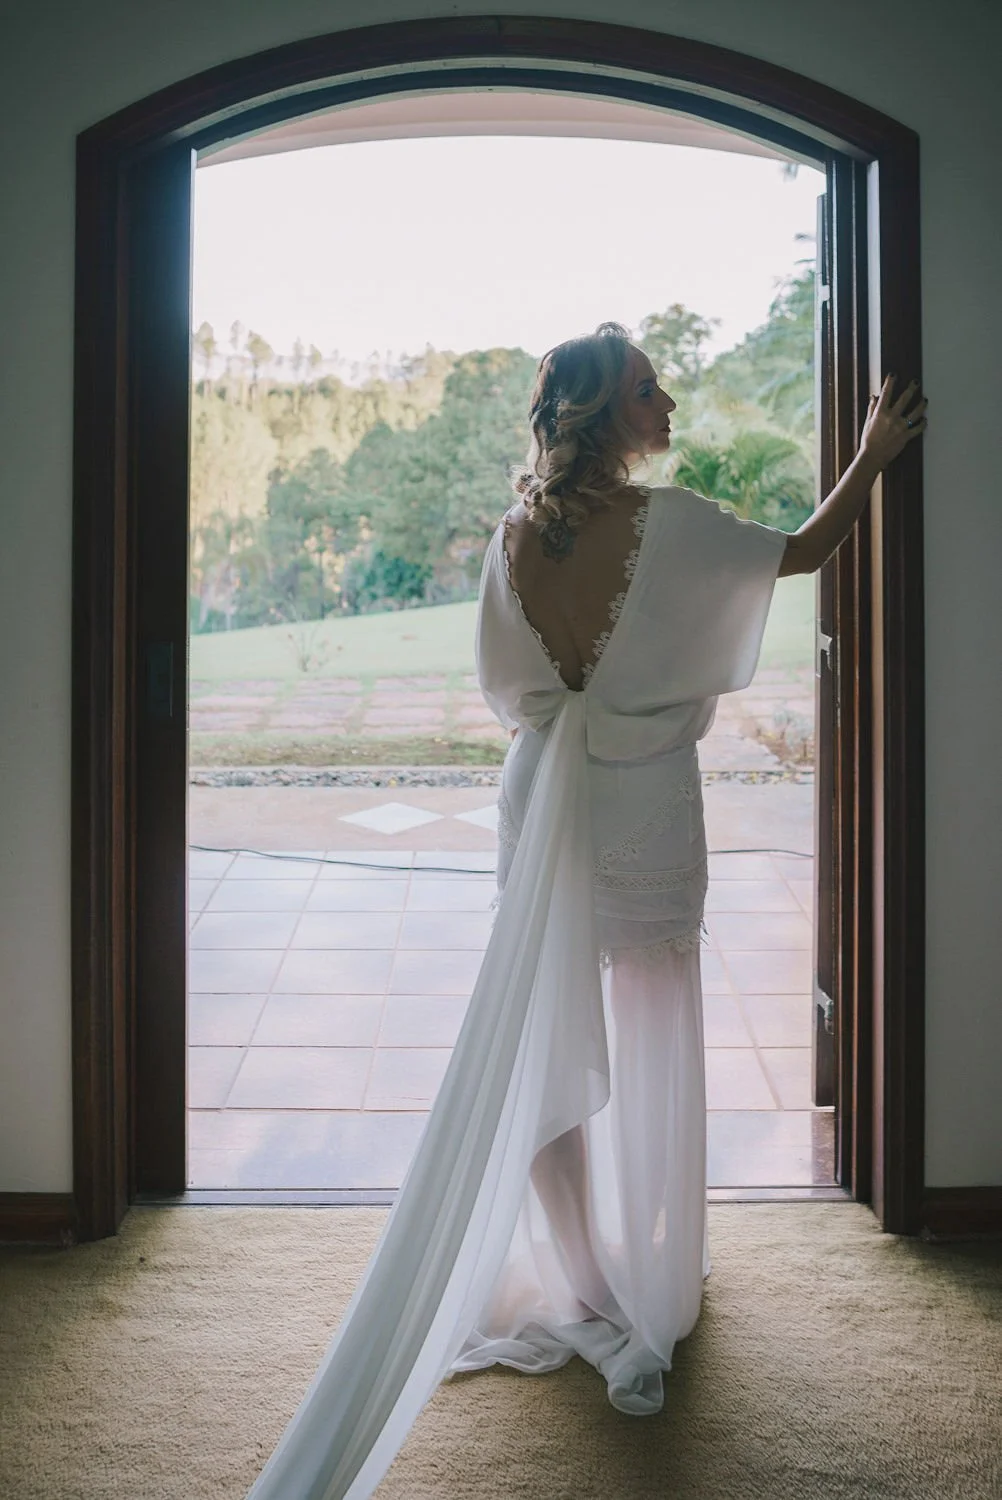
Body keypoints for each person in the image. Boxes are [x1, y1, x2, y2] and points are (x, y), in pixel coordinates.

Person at [244, 325, 926, 1500]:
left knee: (548, 1031)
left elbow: (508, 692)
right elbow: (807, 551)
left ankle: (590, 1279)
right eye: (650, 388)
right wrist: (870, 455)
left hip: (545, 798)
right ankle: (649, 1276)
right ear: (606, 414)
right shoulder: (677, 524)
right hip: (644, 802)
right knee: (653, 1025)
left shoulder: (516, 535)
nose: (669, 402)